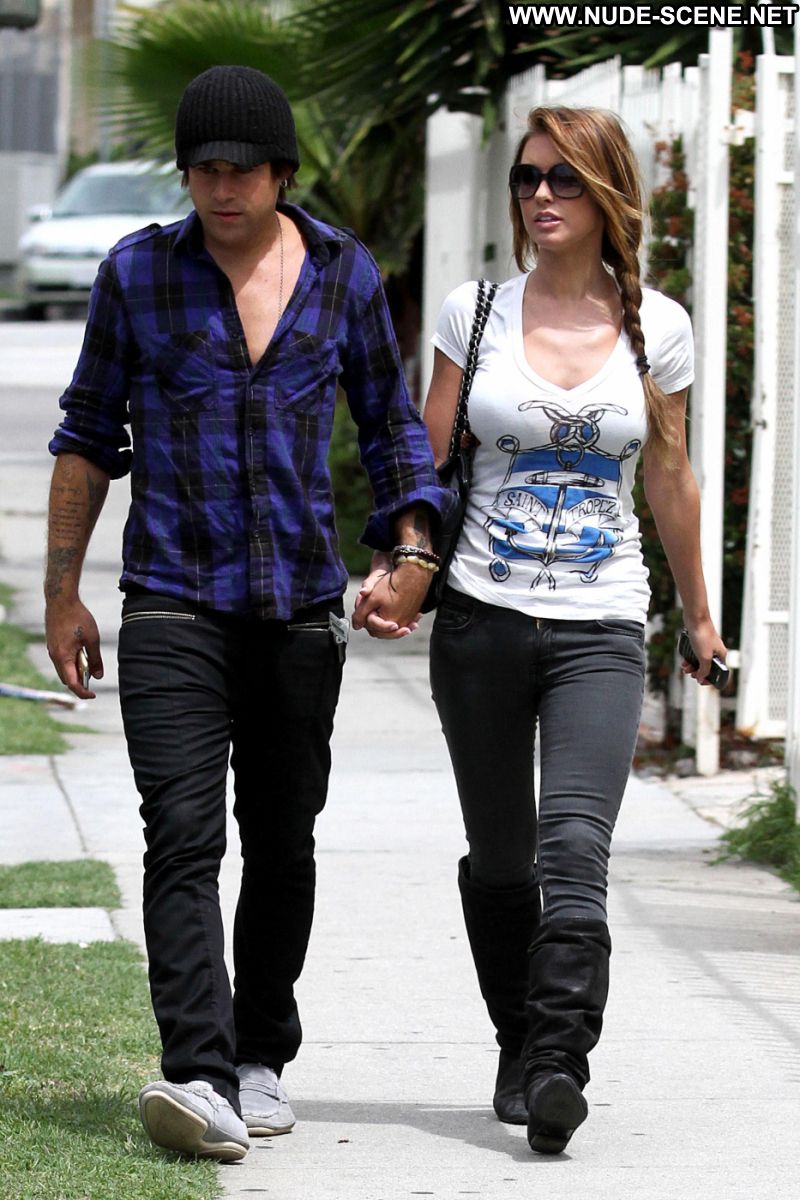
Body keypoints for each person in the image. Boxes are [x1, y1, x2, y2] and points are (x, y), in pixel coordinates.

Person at [44, 65, 450, 1162]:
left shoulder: (343, 273)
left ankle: (261, 1052)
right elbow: (87, 434)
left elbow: (391, 428)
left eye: (243, 170)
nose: (222, 189)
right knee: (180, 835)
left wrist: (412, 551)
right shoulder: (137, 274)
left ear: (281, 173)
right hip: (171, 601)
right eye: (204, 170)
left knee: (281, 842)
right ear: (186, 174)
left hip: (298, 610)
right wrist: (61, 592)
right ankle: (199, 1072)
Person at [362, 105, 727, 1155]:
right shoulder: (473, 314)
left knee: (574, 847)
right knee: (502, 857)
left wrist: (699, 617)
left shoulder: (658, 328)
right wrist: (401, 567)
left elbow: (669, 477)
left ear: (606, 192)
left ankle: (560, 1062)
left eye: (564, 178)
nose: (540, 197)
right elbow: (423, 464)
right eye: (527, 178)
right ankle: (517, 1042)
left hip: (601, 623)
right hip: (481, 619)